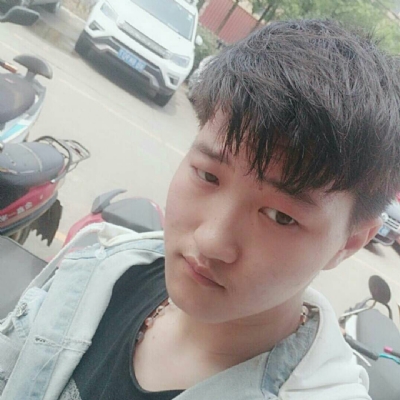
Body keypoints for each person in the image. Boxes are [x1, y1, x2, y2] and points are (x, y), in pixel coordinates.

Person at [1, 19, 400, 400]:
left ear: (350, 241)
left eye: (281, 217)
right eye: (208, 176)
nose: (211, 241)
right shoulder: (99, 268)